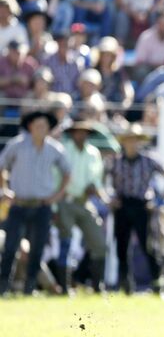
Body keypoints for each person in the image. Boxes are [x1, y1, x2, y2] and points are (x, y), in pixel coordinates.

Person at [0, 110, 71, 295]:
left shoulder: (55, 149)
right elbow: (2, 166)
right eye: (38, 125)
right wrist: (5, 190)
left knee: (37, 249)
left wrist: (57, 195)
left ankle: (29, 288)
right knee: (10, 247)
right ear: (30, 127)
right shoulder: (17, 146)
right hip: (18, 204)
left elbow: (67, 172)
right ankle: (3, 287)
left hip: (42, 206)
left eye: (45, 126)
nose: (41, 129)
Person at [105, 123, 164, 294]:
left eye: (135, 140)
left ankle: (159, 285)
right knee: (122, 247)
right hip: (122, 205)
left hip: (143, 206)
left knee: (149, 247)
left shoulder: (149, 160)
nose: (132, 143)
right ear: (124, 142)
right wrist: (109, 198)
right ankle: (126, 286)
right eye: (129, 140)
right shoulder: (115, 162)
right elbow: (103, 181)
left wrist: (159, 202)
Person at [53, 120, 107, 294]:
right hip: (65, 201)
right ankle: (65, 287)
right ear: (72, 133)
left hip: (85, 202)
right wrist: (55, 205)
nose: (81, 135)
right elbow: (55, 177)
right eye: (78, 132)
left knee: (98, 243)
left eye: (85, 132)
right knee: (66, 242)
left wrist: (95, 188)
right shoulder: (63, 149)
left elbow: (97, 178)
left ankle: (97, 286)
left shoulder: (93, 153)